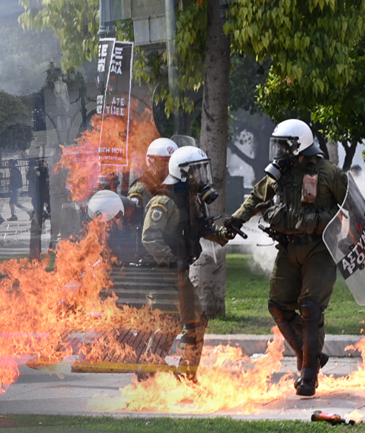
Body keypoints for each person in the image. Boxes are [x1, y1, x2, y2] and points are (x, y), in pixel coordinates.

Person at [224, 119, 347, 396]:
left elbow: (351, 210)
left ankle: (307, 377)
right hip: (288, 248)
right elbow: (256, 197)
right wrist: (235, 221)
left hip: (319, 249)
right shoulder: (279, 173)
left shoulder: (330, 174)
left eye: (283, 145)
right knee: (278, 306)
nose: (278, 151)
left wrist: (325, 221)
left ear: (299, 146)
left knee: (311, 307)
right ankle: (310, 356)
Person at [141, 146, 230, 382]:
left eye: (202, 171)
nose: (200, 177)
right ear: (182, 173)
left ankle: (187, 375)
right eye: (196, 171)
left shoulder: (192, 200)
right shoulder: (163, 201)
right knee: (169, 322)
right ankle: (146, 374)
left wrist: (226, 233)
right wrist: (172, 260)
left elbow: (203, 228)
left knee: (197, 322)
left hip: (180, 273)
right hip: (161, 275)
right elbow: (149, 238)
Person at [128, 137, 178, 211]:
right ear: (151, 162)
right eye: (163, 162)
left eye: (172, 162)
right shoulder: (141, 187)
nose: (169, 166)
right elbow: (131, 218)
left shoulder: (177, 184)